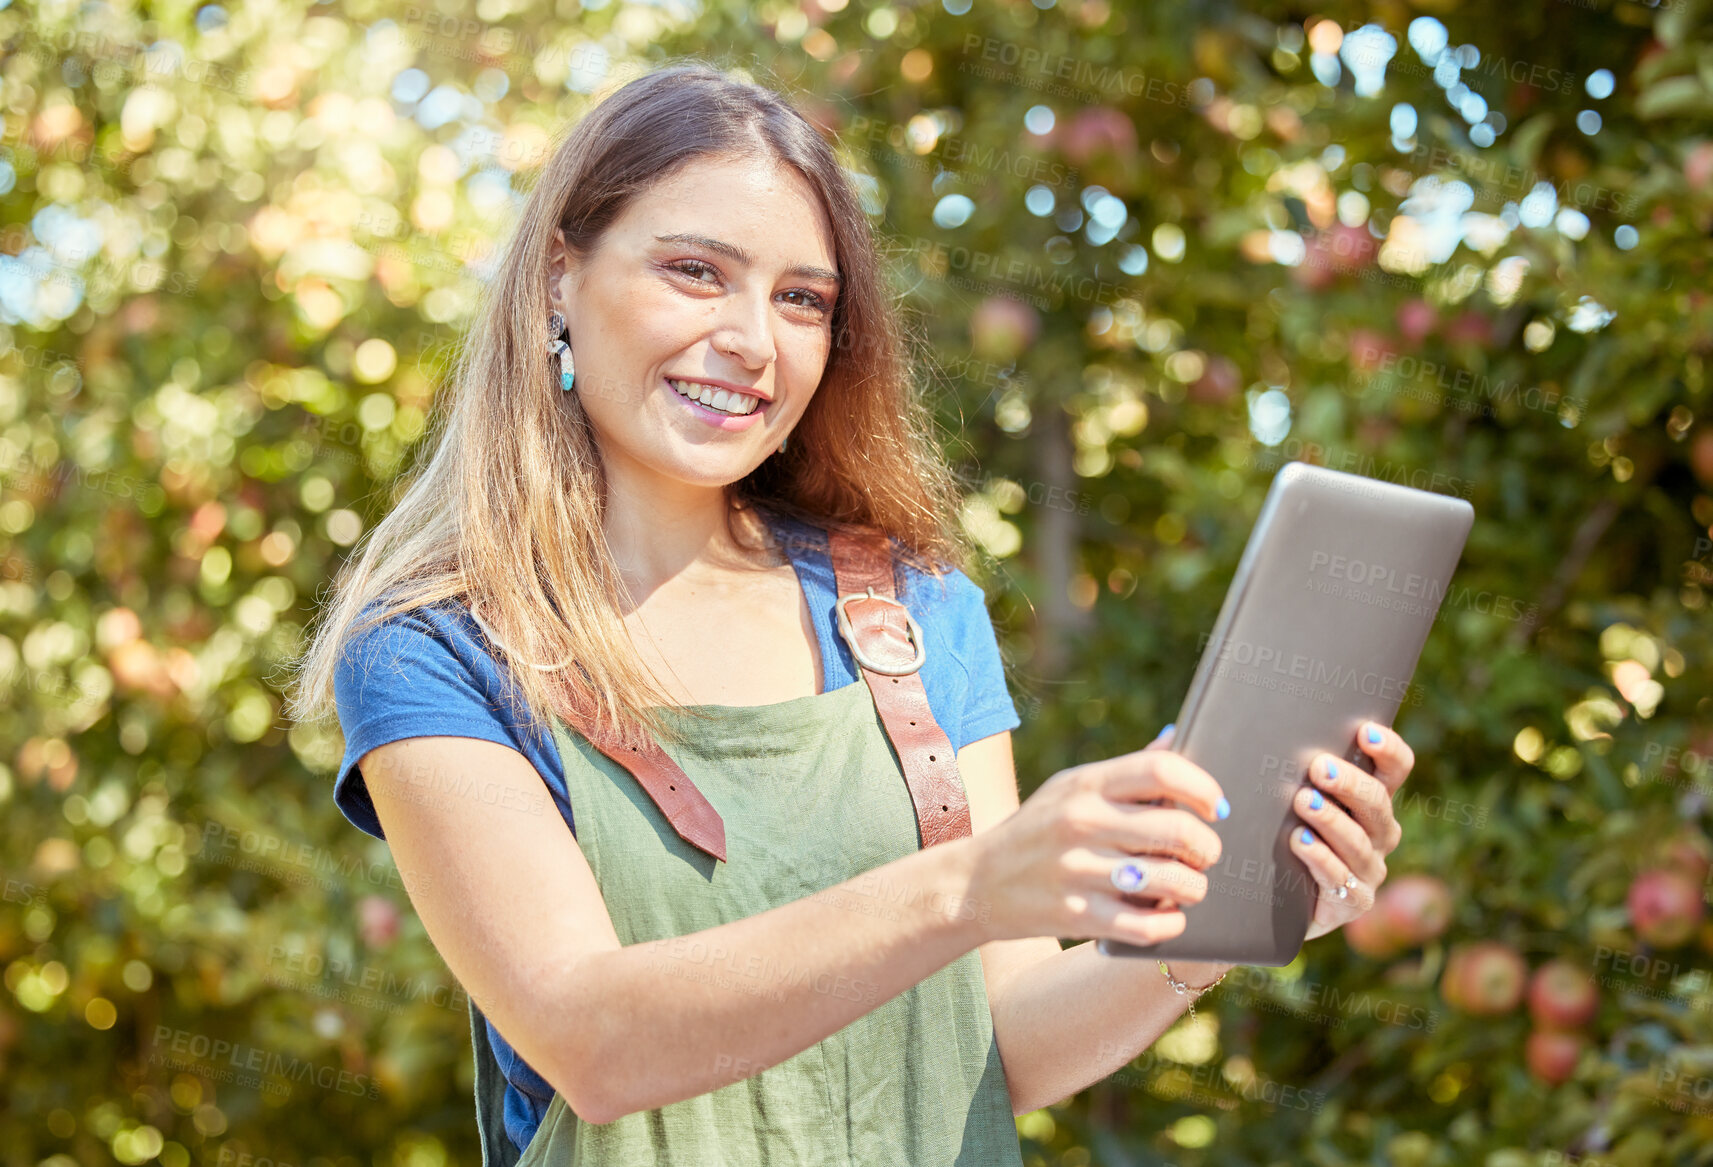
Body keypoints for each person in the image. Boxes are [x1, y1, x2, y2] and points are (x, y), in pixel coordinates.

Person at [288, 60, 1417, 1166]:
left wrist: (1218, 925)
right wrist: (973, 886)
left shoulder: (917, 614)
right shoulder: (436, 648)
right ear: (555, 278)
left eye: (801, 300)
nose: (752, 338)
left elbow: (999, 1048)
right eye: (694, 270)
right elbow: (594, 1039)